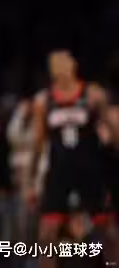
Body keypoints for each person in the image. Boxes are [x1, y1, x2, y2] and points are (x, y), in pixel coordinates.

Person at [27, 50, 116, 268]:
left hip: (90, 170)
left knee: (107, 230)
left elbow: (113, 132)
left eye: (65, 65)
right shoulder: (44, 100)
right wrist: (31, 179)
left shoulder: (92, 94)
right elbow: (38, 143)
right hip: (59, 171)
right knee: (47, 233)